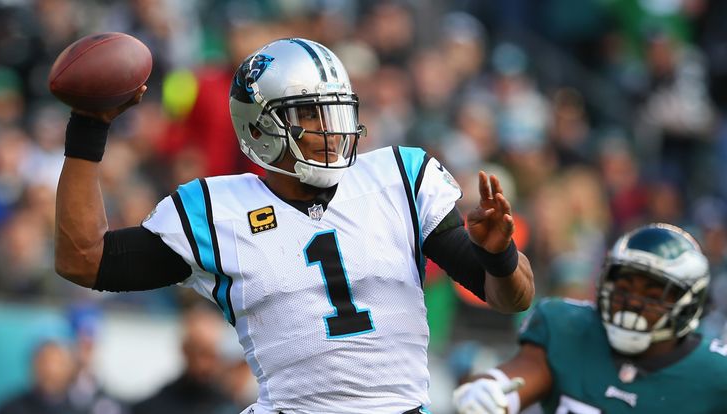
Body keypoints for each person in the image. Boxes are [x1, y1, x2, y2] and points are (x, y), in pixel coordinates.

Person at [53, 37, 534, 413]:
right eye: (309, 115)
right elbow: (83, 259)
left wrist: (500, 256)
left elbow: (512, 299)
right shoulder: (217, 209)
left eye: (336, 110)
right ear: (258, 128)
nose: (330, 130)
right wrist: (89, 128)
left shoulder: (401, 178)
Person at [453, 223, 727, 414]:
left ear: (688, 304)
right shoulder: (568, 326)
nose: (632, 302)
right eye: (624, 287)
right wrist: (490, 389)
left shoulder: (715, 373)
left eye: (653, 294)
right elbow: (519, 377)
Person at [132, 306, 234, 414]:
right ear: (185, 350)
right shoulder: (152, 407)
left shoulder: (231, 406)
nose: (206, 365)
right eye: (201, 354)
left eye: (213, 355)